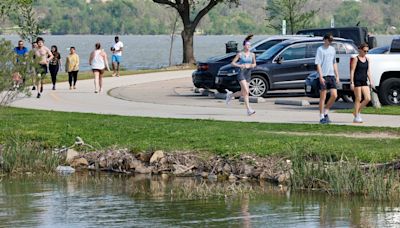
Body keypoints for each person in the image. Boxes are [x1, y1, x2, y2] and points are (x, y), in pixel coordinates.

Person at [225, 35, 257, 116]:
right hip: (241, 73)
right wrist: (240, 65)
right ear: (244, 46)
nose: (249, 46)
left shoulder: (252, 54)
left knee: (244, 93)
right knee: (246, 91)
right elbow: (232, 63)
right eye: (247, 45)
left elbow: (254, 64)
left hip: (248, 73)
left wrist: (251, 65)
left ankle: (230, 95)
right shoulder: (240, 54)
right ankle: (249, 109)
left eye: (249, 45)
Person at [315, 34, 340, 124]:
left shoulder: (332, 49)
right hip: (323, 75)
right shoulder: (320, 49)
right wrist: (321, 76)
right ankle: (321, 116)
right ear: (325, 40)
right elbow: (318, 63)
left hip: (331, 75)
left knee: (334, 95)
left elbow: (334, 63)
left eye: (331, 41)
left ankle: (326, 110)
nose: (330, 42)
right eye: (329, 40)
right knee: (323, 97)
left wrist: (337, 75)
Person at [350, 43, 373, 123]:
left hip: (364, 80)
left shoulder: (367, 59)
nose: (366, 52)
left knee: (368, 98)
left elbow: (368, 71)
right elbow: (352, 71)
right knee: (358, 98)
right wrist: (352, 82)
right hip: (357, 80)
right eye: (364, 51)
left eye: (367, 51)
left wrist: (371, 81)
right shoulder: (356, 59)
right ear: (360, 50)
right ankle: (356, 116)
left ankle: (356, 112)